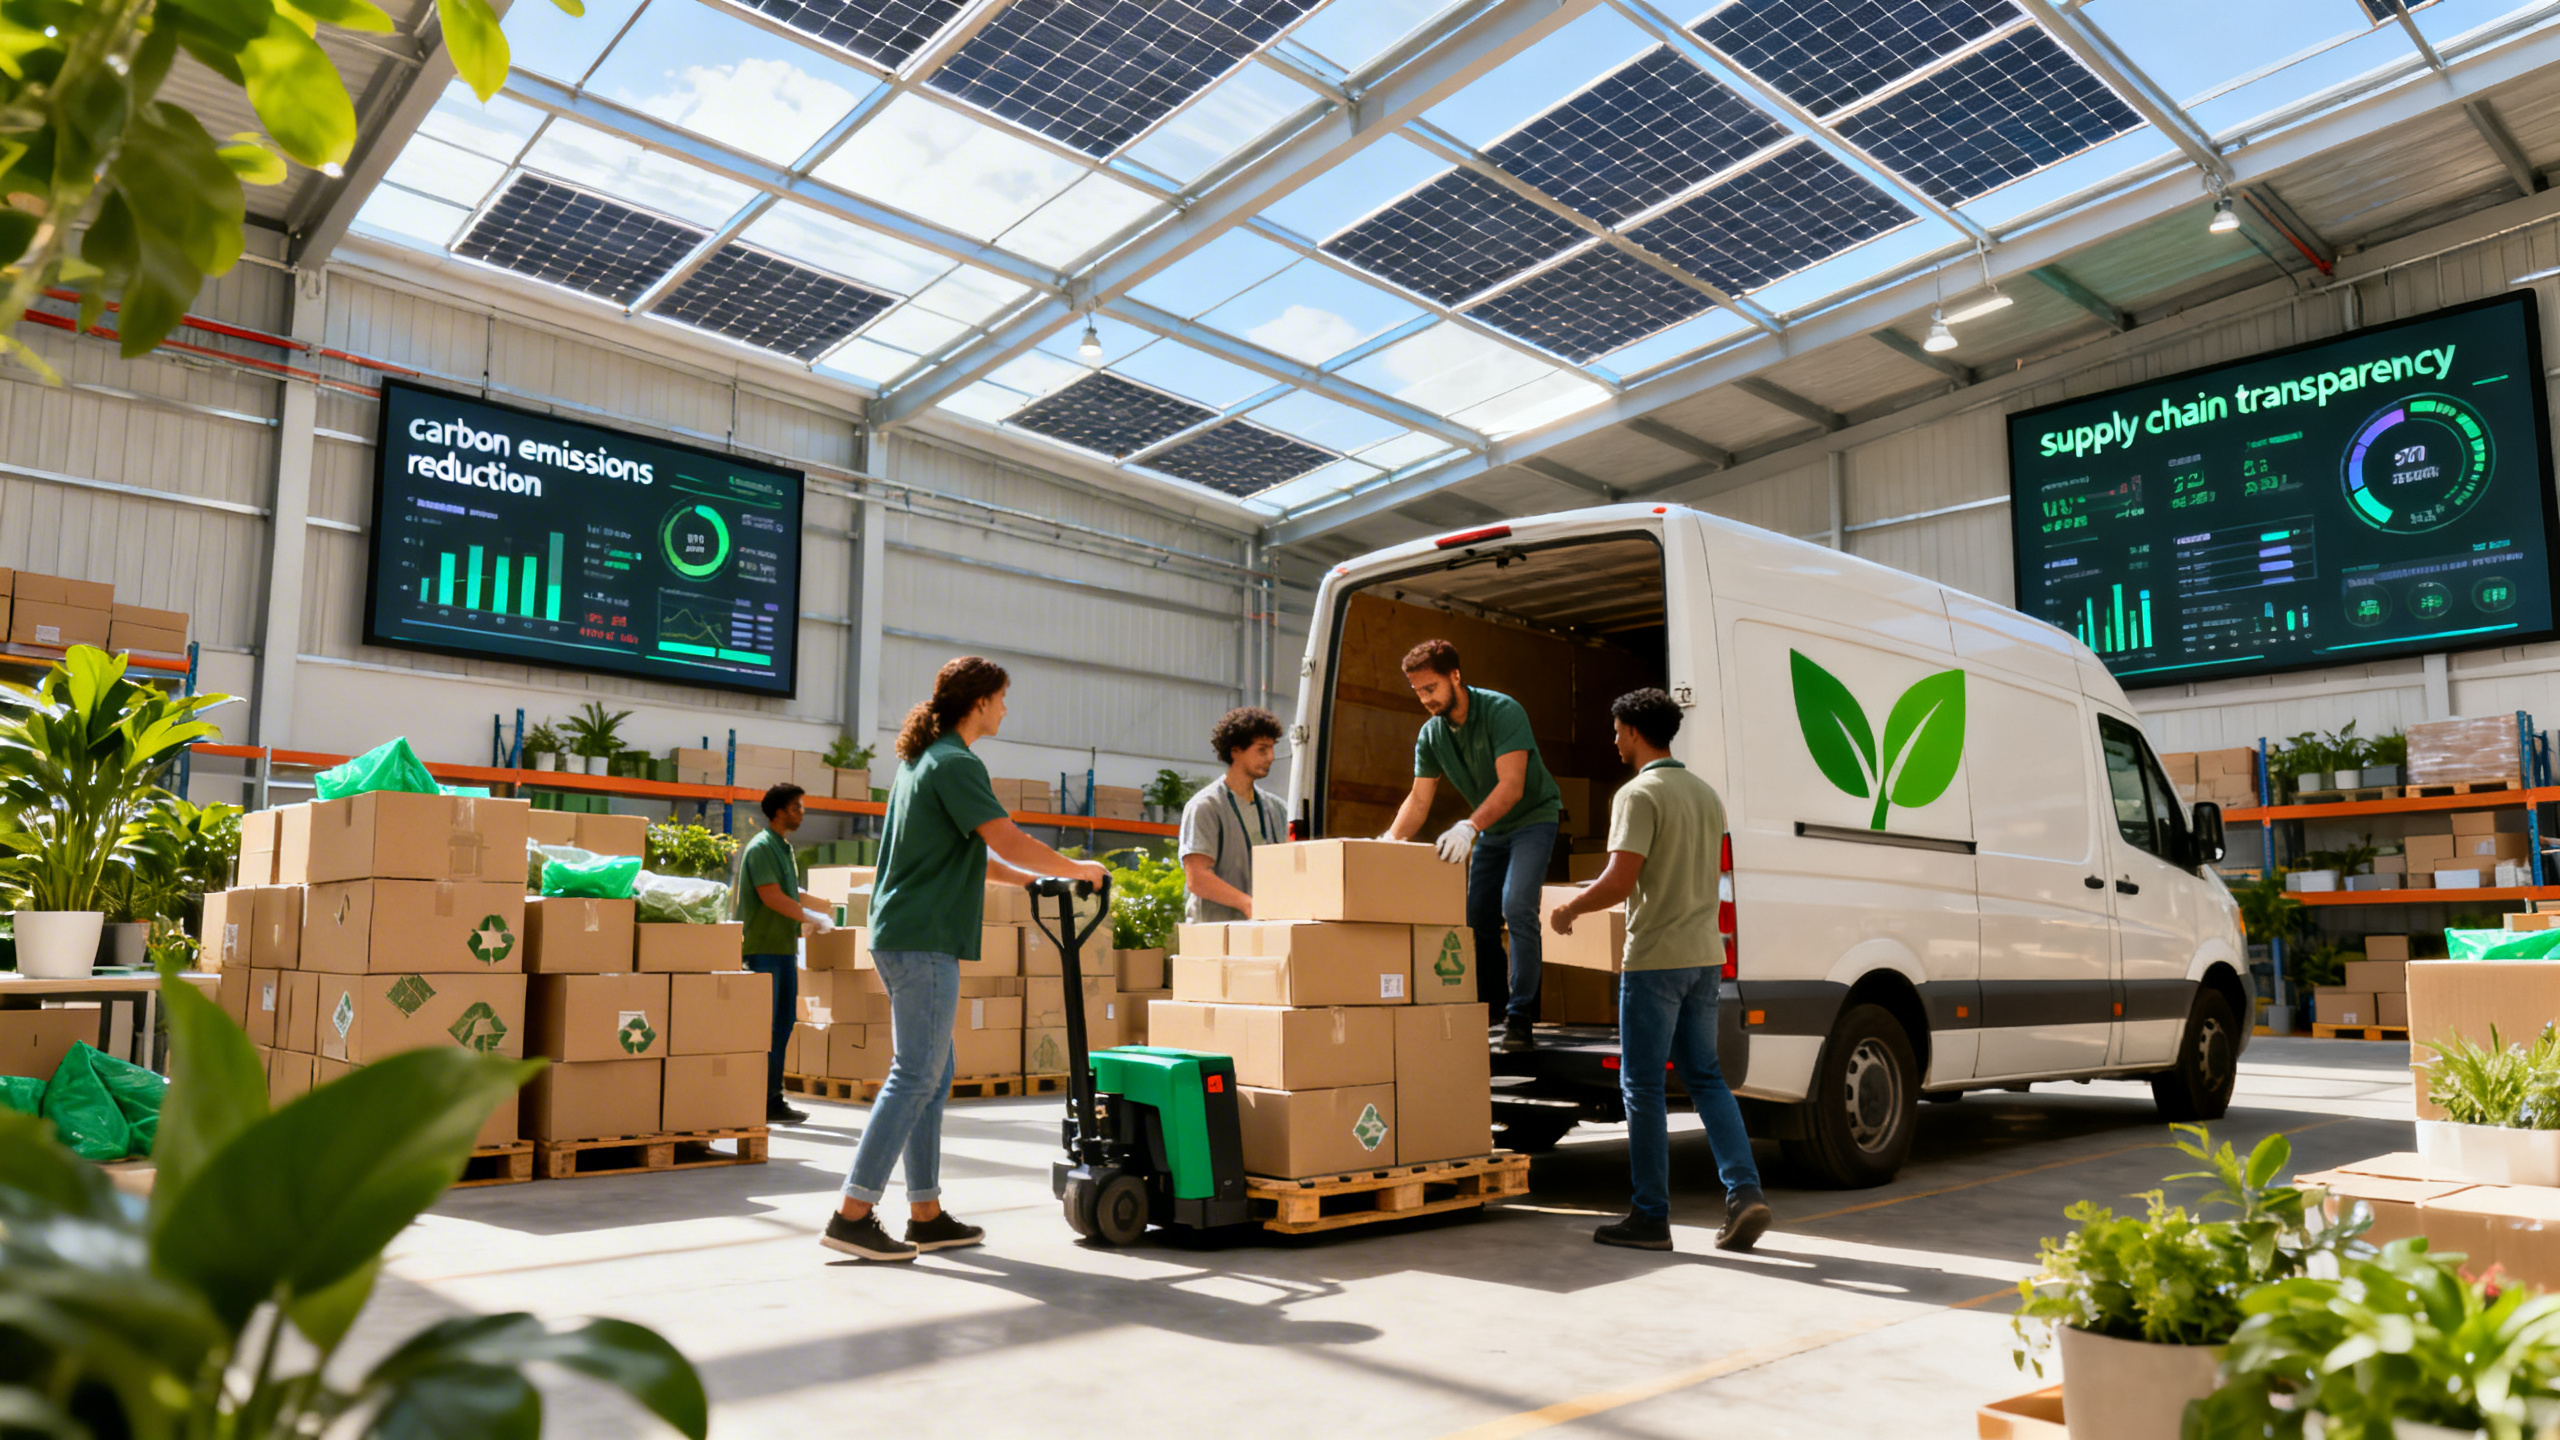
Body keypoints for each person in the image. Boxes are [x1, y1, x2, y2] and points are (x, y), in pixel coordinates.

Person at [824, 656, 1109, 1264]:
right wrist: (1078, 869)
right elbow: (1006, 836)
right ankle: (852, 1214)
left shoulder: (924, 762)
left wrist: (1031, 885)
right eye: (1003, 698)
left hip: (909, 933)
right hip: (921, 937)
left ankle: (924, 1213)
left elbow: (977, 857)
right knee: (916, 1075)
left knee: (932, 1076)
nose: (1006, 709)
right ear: (978, 702)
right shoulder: (955, 763)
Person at [1550, 688, 1770, 1254]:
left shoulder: (1638, 793)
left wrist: (1571, 907)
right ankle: (1745, 1192)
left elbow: (1622, 881)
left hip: (1655, 960)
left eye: (1616, 730)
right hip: (1704, 956)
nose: (1614, 740)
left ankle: (1651, 1216)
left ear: (1632, 731)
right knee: (1706, 1078)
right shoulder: (1704, 794)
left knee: (1642, 1086)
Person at [1382, 639, 1562, 1051]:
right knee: (1475, 916)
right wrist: (1390, 841)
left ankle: (1520, 1017)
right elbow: (1419, 799)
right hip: (1493, 830)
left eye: (1431, 688)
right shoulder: (1431, 735)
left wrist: (1468, 827)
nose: (1425, 699)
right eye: (1418, 692)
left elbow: (1512, 788)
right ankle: (1493, 1008)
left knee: (1517, 905)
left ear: (1455, 677)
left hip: (1533, 818)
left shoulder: (1502, 711)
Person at [739, 782, 832, 1127]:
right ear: (779, 811)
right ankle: (760, 1098)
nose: (802, 813)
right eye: (797, 807)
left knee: (782, 1025)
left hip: (783, 949)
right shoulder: (762, 847)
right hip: (762, 950)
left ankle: (772, 1098)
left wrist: (824, 907)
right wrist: (810, 917)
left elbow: (790, 891)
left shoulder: (784, 848)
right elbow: (770, 895)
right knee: (765, 1028)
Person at [1180, 706, 1288, 923]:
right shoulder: (1206, 807)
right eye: (1262, 749)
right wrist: (1247, 903)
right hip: (1214, 934)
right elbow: (1197, 878)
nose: (1271, 757)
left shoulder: (1277, 808)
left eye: (1272, 749)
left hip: (1263, 928)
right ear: (1236, 750)